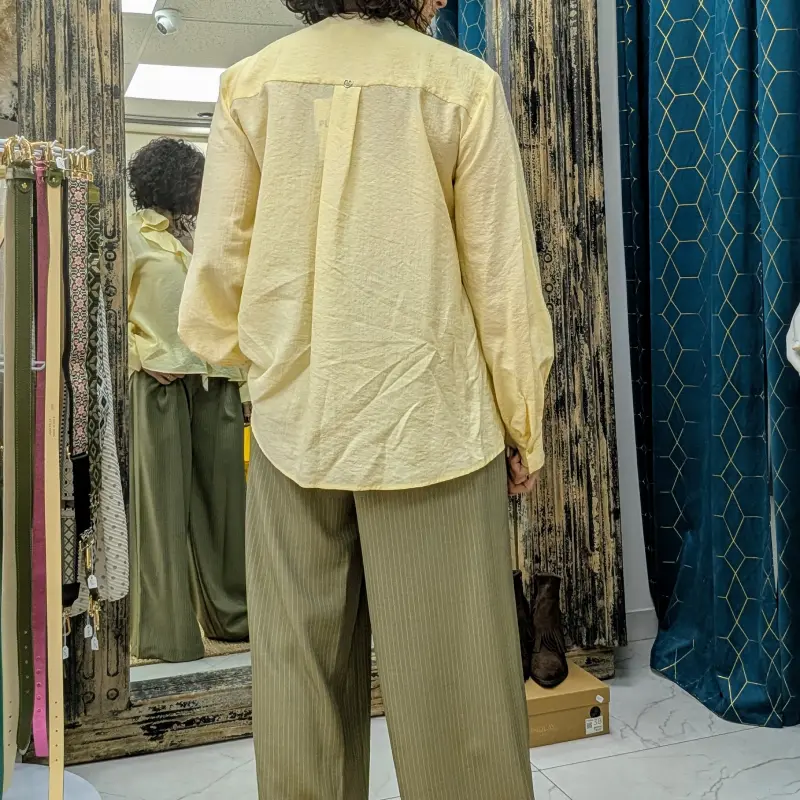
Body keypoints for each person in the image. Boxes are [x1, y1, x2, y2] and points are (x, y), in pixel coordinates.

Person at [178, 0, 553, 796]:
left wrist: (257, 363)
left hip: (294, 423)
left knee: (299, 686)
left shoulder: (252, 83)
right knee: (458, 704)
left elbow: (216, 269)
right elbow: (502, 281)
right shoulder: (459, 84)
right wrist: (523, 421)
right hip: (432, 423)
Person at [127, 137, 249, 663]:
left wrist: (244, 385)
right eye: (198, 180)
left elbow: (229, 310)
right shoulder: (131, 237)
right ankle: (164, 632)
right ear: (174, 182)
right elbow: (107, 315)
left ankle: (234, 618)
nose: (206, 190)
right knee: (162, 507)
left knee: (225, 507)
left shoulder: (209, 238)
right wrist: (138, 357)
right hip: (161, 382)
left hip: (216, 380)